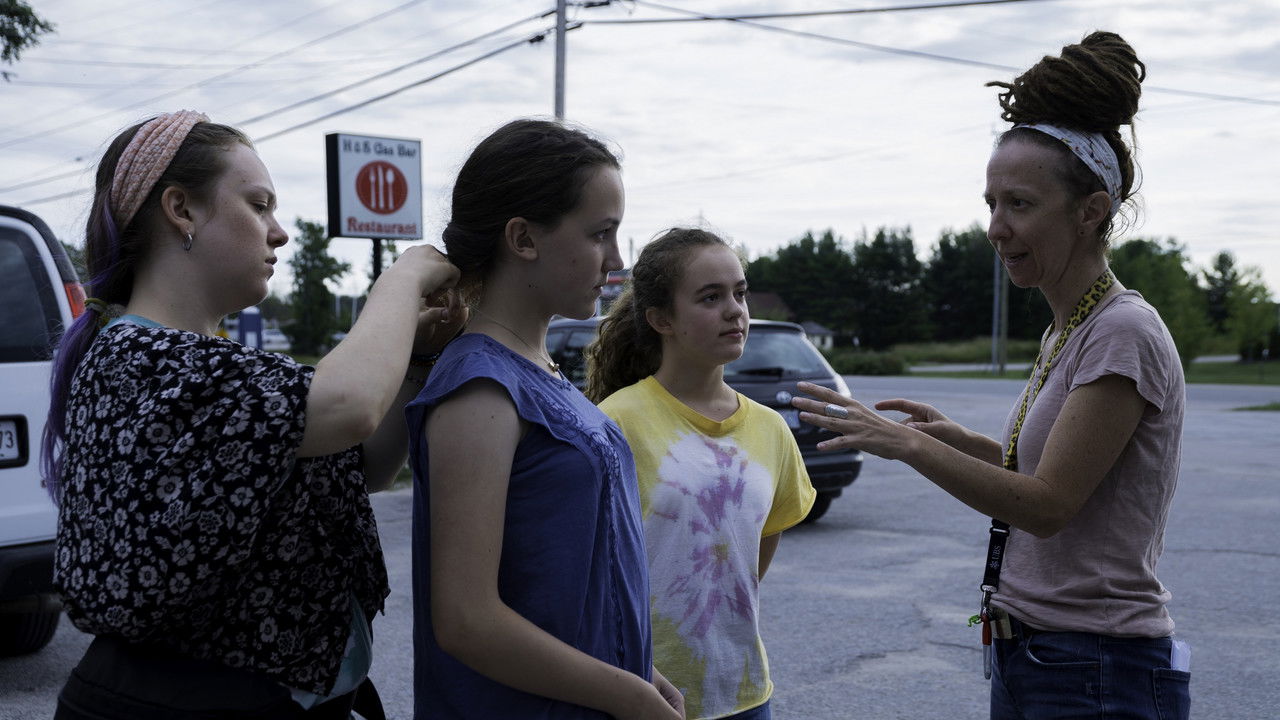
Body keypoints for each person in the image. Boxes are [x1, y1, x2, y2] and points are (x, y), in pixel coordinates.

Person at [791, 32, 1190, 720]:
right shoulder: (1070, 328)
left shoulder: (1122, 331)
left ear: (1091, 210)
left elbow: (1045, 505)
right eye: (991, 203)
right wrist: (948, 439)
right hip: (1041, 654)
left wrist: (910, 447)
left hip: (1095, 666)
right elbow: (1043, 472)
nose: (996, 228)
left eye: (1020, 204)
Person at [44, 110, 463, 719]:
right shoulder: (140, 359)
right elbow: (347, 408)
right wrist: (402, 279)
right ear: (181, 210)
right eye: (259, 204)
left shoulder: (209, 365)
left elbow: (362, 462)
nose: (280, 232)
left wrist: (418, 356)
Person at [404, 119, 684, 720]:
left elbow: (568, 581)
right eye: (600, 234)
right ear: (523, 238)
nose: (616, 259)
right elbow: (467, 620)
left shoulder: (537, 369)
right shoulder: (480, 388)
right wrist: (628, 695)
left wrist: (640, 669)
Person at [587, 228, 816, 720]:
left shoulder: (771, 429)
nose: (735, 310)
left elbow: (756, 548)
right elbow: (591, 567)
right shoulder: (617, 421)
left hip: (746, 693)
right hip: (643, 691)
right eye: (710, 297)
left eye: (740, 292)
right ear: (661, 319)